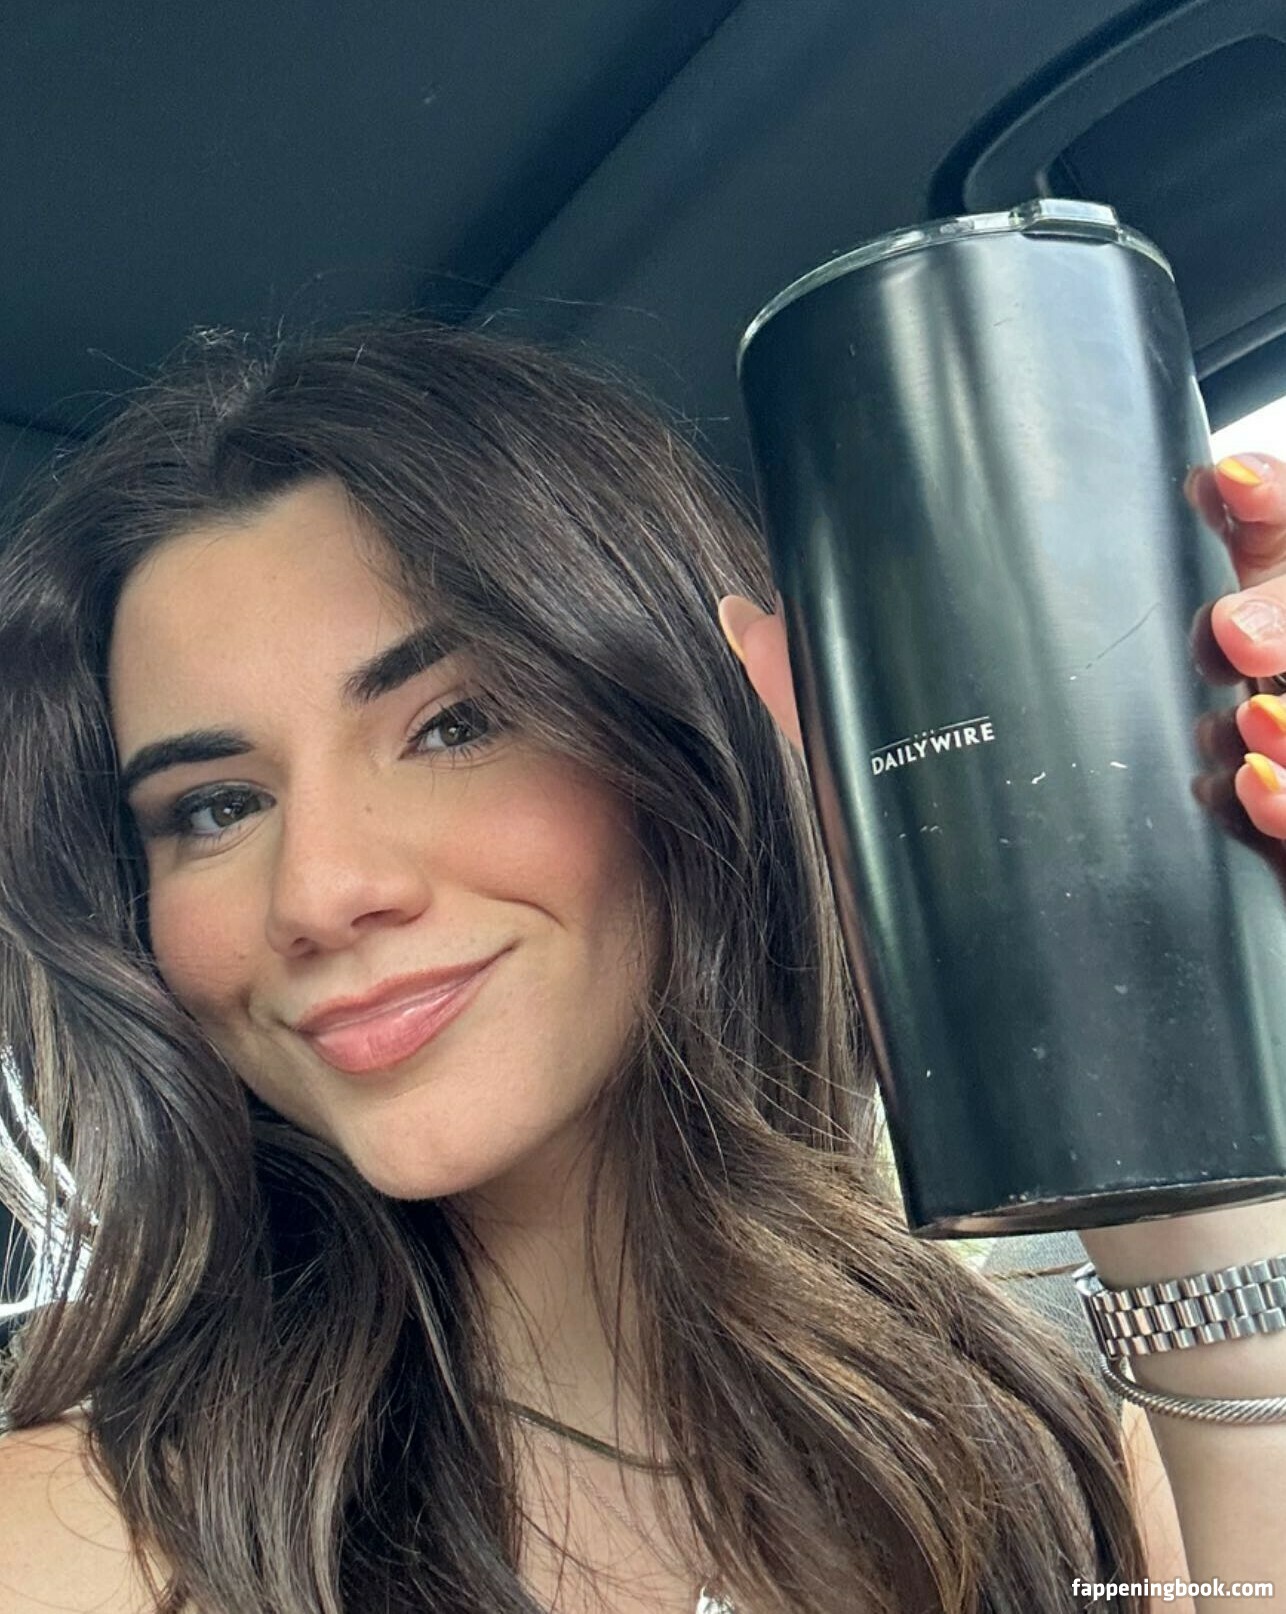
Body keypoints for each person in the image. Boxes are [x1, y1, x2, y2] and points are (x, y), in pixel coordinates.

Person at [0, 313, 1283, 1614]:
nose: (319, 893)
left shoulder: (1073, 1443)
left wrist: (1192, 1134)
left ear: (690, 736)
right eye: (215, 806)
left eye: (454, 723)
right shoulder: (65, 1548)